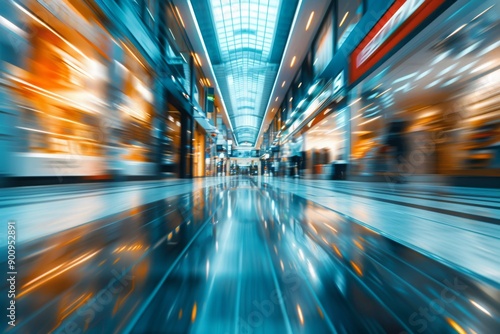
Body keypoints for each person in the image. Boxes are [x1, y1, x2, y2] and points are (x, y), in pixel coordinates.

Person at [385, 118, 409, 183]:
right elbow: (402, 144)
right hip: (400, 151)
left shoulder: (392, 132)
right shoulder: (398, 133)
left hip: (395, 151)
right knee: (400, 165)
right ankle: (400, 178)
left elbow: (388, 142)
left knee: (396, 165)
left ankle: (398, 178)